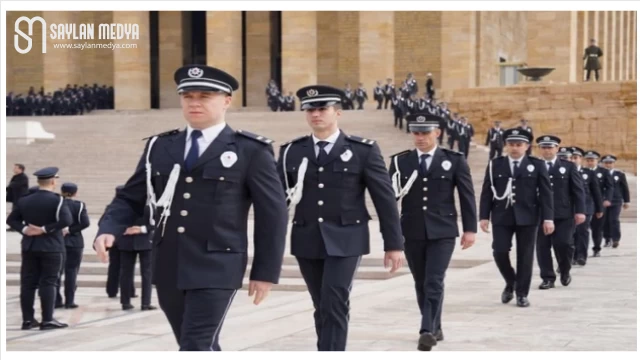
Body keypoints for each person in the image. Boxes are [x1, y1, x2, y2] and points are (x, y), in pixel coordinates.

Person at [93, 65, 289, 351]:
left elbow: (273, 215)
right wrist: (108, 228)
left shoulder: (250, 150)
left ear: (226, 100)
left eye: (205, 96)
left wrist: (265, 271)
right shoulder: (160, 146)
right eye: (188, 96)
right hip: (169, 262)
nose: (194, 102)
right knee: (199, 343)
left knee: (194, 345)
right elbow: (130, 197)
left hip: (218, 265)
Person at [277, 85, 404, 351]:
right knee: (321, 304)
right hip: (306, 237)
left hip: (347, 238)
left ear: (338, 113)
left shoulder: (363, 150)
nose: (315, 114)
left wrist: (394, 244)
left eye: (322, 109)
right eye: (310, 109)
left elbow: (384, 199)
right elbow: (277, 200)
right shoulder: (292, 151)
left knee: (335, 301)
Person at [388, 114, 476, 351]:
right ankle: (435, 326)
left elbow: (466, 196)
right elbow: (389, 199)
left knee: (434, 280)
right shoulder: (400, 162)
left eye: (425, 133)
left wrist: (470, 229)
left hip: (443, 231)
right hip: (412, 229)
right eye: (416, 133)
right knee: (420, 282)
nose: (420, 137)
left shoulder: (454, 160)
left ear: (437, 133)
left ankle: (426, 329)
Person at [479, 128, 554, 307]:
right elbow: (487, 191)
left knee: (525, 256)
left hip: (528, 216)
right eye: (511, 144)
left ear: (527, 146)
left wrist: (548, 218)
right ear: (505, 145)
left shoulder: (536, 164)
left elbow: (546, 193)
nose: (514, 148)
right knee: (499, 251)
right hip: (501, 215)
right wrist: (484, 216)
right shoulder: (495, 164)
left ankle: (522, 293)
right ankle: (511, 281)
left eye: (519, 145)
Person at [6, 167, 72, 330]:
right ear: (53, 181)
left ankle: (28, 320)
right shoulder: (58, 200)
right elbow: (66, 220)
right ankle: (47, 319)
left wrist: (25, 229)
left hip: (30, 246)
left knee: (28, 283)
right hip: (51, 247)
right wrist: (45, 229)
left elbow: (11, 220)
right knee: (49, 282)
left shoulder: (24, 200)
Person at [534, 136, 585, 290]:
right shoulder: (533, 166)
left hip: (563, 213)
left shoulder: (568, 167)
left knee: (564, 244)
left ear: (557, 149)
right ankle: (547, 277)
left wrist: (580, 211)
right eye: (544, 147)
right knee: (542, 247)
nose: (547, 150)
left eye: (550, 147)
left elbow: (578, 190)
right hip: (540, 214)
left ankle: (564, 269)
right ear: (540, 149)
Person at [55, 183, 90, 309]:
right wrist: (70, 230)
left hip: (58, 241)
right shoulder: (79, 205)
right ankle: (70, 301)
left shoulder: (56, 203)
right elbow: (85, 223)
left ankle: (56, 300)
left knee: (56, 272)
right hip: (75, 242)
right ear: (75, 192)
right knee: (71, 271)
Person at [117, 208, 157, 311]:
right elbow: (156, 223)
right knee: (146, 274)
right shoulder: (150, 206)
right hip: (145, 242)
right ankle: (145, 303)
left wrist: (124, 229)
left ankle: (125, 302)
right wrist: (143, 229)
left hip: (127, 241)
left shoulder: (122, 206)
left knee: (126, 273)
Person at [569, 147, 603, 263]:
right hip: (569, 208)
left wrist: (599, 208)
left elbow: (596, 191)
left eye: (576, 158)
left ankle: (581, 256)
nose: (573, 160)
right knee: (570, 233)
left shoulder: (588, 173)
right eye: (571, 158)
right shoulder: (563, 171)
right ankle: (571, 256)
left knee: (582, 232)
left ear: (580, 159)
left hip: (586, 207)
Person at [584, 150, 614, 251]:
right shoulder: (582, 172)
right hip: (586, 203)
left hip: (598, 203)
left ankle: (596, 248)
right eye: (588, 160)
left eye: (592, 160)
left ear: (597, 161)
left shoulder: (604, 172)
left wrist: (607, 199)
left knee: (597, 228)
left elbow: (610, 187)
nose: (590, 162)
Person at [601, 155, 630, 249]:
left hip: (616, 200)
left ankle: (615, 239)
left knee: (614, 219)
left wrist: (627, 201)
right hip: (603, 200)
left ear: (614, 164)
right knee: (604, 220)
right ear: (603, 163)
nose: (608, 165)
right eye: (606, 163)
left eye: (610, 163)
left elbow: (625, 188)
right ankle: (607, 238)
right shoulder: (599, 173)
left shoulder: (619, 174)